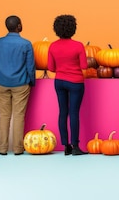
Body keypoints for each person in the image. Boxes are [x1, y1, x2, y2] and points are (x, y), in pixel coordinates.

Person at [0, 15, 35, 155]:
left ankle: (2, 149)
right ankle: (17, 149)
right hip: (21, 84)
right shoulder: (26, 44)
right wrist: (31, 81)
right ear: (19, 26)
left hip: (2, 83)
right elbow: (30, 66)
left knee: (4, 116)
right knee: (18, 116)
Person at [47, 14, 88, 155]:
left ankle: (66, 146)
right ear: (73, 28)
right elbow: (84, 66)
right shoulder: (78, 46)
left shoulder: (52, 46)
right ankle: (75, 146)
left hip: (59, 82)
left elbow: (51, 68)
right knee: (74, 113)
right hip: (75, 82)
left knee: (62, 112)